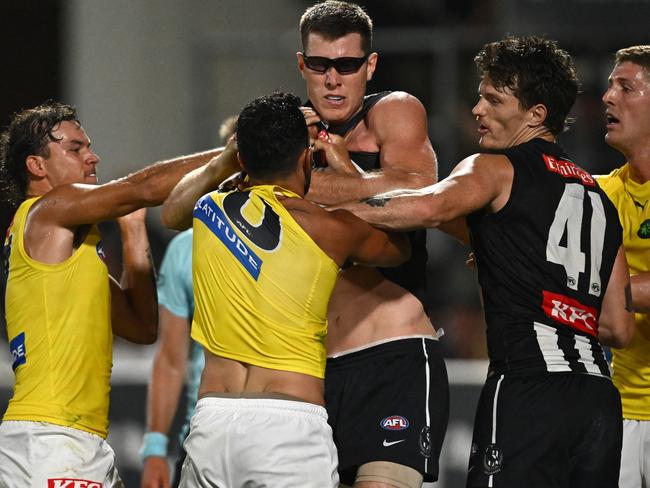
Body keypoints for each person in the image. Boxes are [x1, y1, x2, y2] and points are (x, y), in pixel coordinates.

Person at [337, 36, 635, 488]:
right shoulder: (599, 199)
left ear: (536, 114)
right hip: (597, 401)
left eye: (493, 99)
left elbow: (427, 207)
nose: (477, 109)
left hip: (528, 385)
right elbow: (619, 325)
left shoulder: (492, 169)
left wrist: (322, 217)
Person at [160, 91, 411, 488]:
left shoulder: (210, 208)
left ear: (242, 158)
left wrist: (228, 159)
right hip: (287, 428)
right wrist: (348, 175)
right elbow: (400, 250)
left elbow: (171, 210)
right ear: (304, 157)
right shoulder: (332, 229)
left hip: (212, 423)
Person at [0, 101, 221, 487]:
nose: (92, 156)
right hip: (53, 439)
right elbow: (143, 188)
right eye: (75, 149)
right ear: (37, 166)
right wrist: (237, 154)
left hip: (76, 441)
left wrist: (134, 230)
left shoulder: (65, 249)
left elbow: (141, 326)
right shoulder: (47, 210)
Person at [297, 2, 449, 486]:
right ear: (303, 65)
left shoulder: (393, 109)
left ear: (371, 65)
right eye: (320, 65)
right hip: (310, 369)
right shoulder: (287, 129)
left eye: (347, 65)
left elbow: (419, 189)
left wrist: (321, 184)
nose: (333, 80)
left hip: (392, 359)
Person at [140, 115, 236, 488]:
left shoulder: (310, 238)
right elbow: (171, 357)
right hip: (201, 434)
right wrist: (154, 448)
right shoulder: (185, 249)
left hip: (285, 429)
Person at [597, 45, 650, 488]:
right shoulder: (599, 194)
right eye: (610, 85)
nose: (607, 96)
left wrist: (582, 287)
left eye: (625, 87)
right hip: (622, 415)